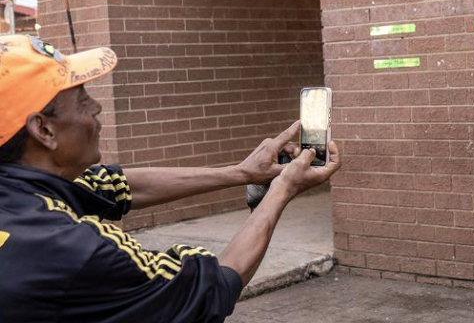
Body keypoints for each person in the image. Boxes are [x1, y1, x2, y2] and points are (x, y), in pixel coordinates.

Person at [0, 34, 341, 323]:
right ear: (43, 129)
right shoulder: (71, 248)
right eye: (83, 98)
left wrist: (243, 172)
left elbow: (116, 185)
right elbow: (212, 287)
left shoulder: (21, 192)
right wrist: (280, 191)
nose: (97, 108)